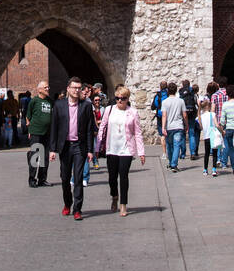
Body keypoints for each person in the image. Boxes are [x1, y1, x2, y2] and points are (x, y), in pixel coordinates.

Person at [49, 75, 95, 220]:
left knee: (78, 177)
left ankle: (77, 209)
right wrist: (52, 149)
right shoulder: (59, 105)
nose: (76, 90)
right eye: (74, 88)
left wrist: (90, 150)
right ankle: (67, 204)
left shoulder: (86, 106)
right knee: (64, 178)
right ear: (68, 89)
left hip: (79, 147)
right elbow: (54, 127)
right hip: (65, 146)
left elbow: (89, 129)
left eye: (78, 88)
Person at [95, 83, 145, 216]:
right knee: (112, 177)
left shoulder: (133, 113)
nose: (119, 101)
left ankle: (123, 205)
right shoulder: (109, 110)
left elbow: (138, 133)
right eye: (117, 98)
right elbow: (103, 127)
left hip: (126, 149)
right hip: (112, 149)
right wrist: (97, 146)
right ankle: (114, 196)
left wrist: (141, 152)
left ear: (127, 99)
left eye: (122, 98)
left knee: (123, 176)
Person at [26, 80, 53, 186]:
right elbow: (28, 116)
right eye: (45, 87)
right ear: (39, 89)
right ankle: (32, 179)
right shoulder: (34, 101)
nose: (47, 89)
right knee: (35, 156)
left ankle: (42, 179)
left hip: (47, 133)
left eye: (48, 87)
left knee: (45, 157)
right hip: (36, 132)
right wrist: (30, 131)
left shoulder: (50, 101)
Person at [161, 82, 188, 172]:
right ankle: (174, 164)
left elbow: (164, 115)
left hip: (169, 126)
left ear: (168, 91)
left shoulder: (164, 102)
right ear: (176, 90)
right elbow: (184, 115)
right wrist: (186, 125)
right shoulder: (181, 101)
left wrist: (163, 127)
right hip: (178, 126)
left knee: (169, 145)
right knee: (177, 145)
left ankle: (170, 162)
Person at [219, 85, 234, 174]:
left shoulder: (225, 105)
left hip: (229, 129)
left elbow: (222, 121)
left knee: (231, 149)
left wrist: (222, 130)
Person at [199, 94, 221, 176]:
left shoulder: (201, 116)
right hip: (213, 135)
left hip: (206, 136)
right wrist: (221, 131)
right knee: (214, 153)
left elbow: (201, 127)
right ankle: (214, 169)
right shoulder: (212, 114)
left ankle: (205, 169)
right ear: (208, 106)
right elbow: (217, 125)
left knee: (207, 153)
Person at [181, 79, 199, 159]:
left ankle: (183, 154)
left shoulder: (181, 92)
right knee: (192, 134)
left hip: (183, 114)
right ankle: (193, 153)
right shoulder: (193, 93)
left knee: (183, 134)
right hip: (191, 115)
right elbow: (196, 104)